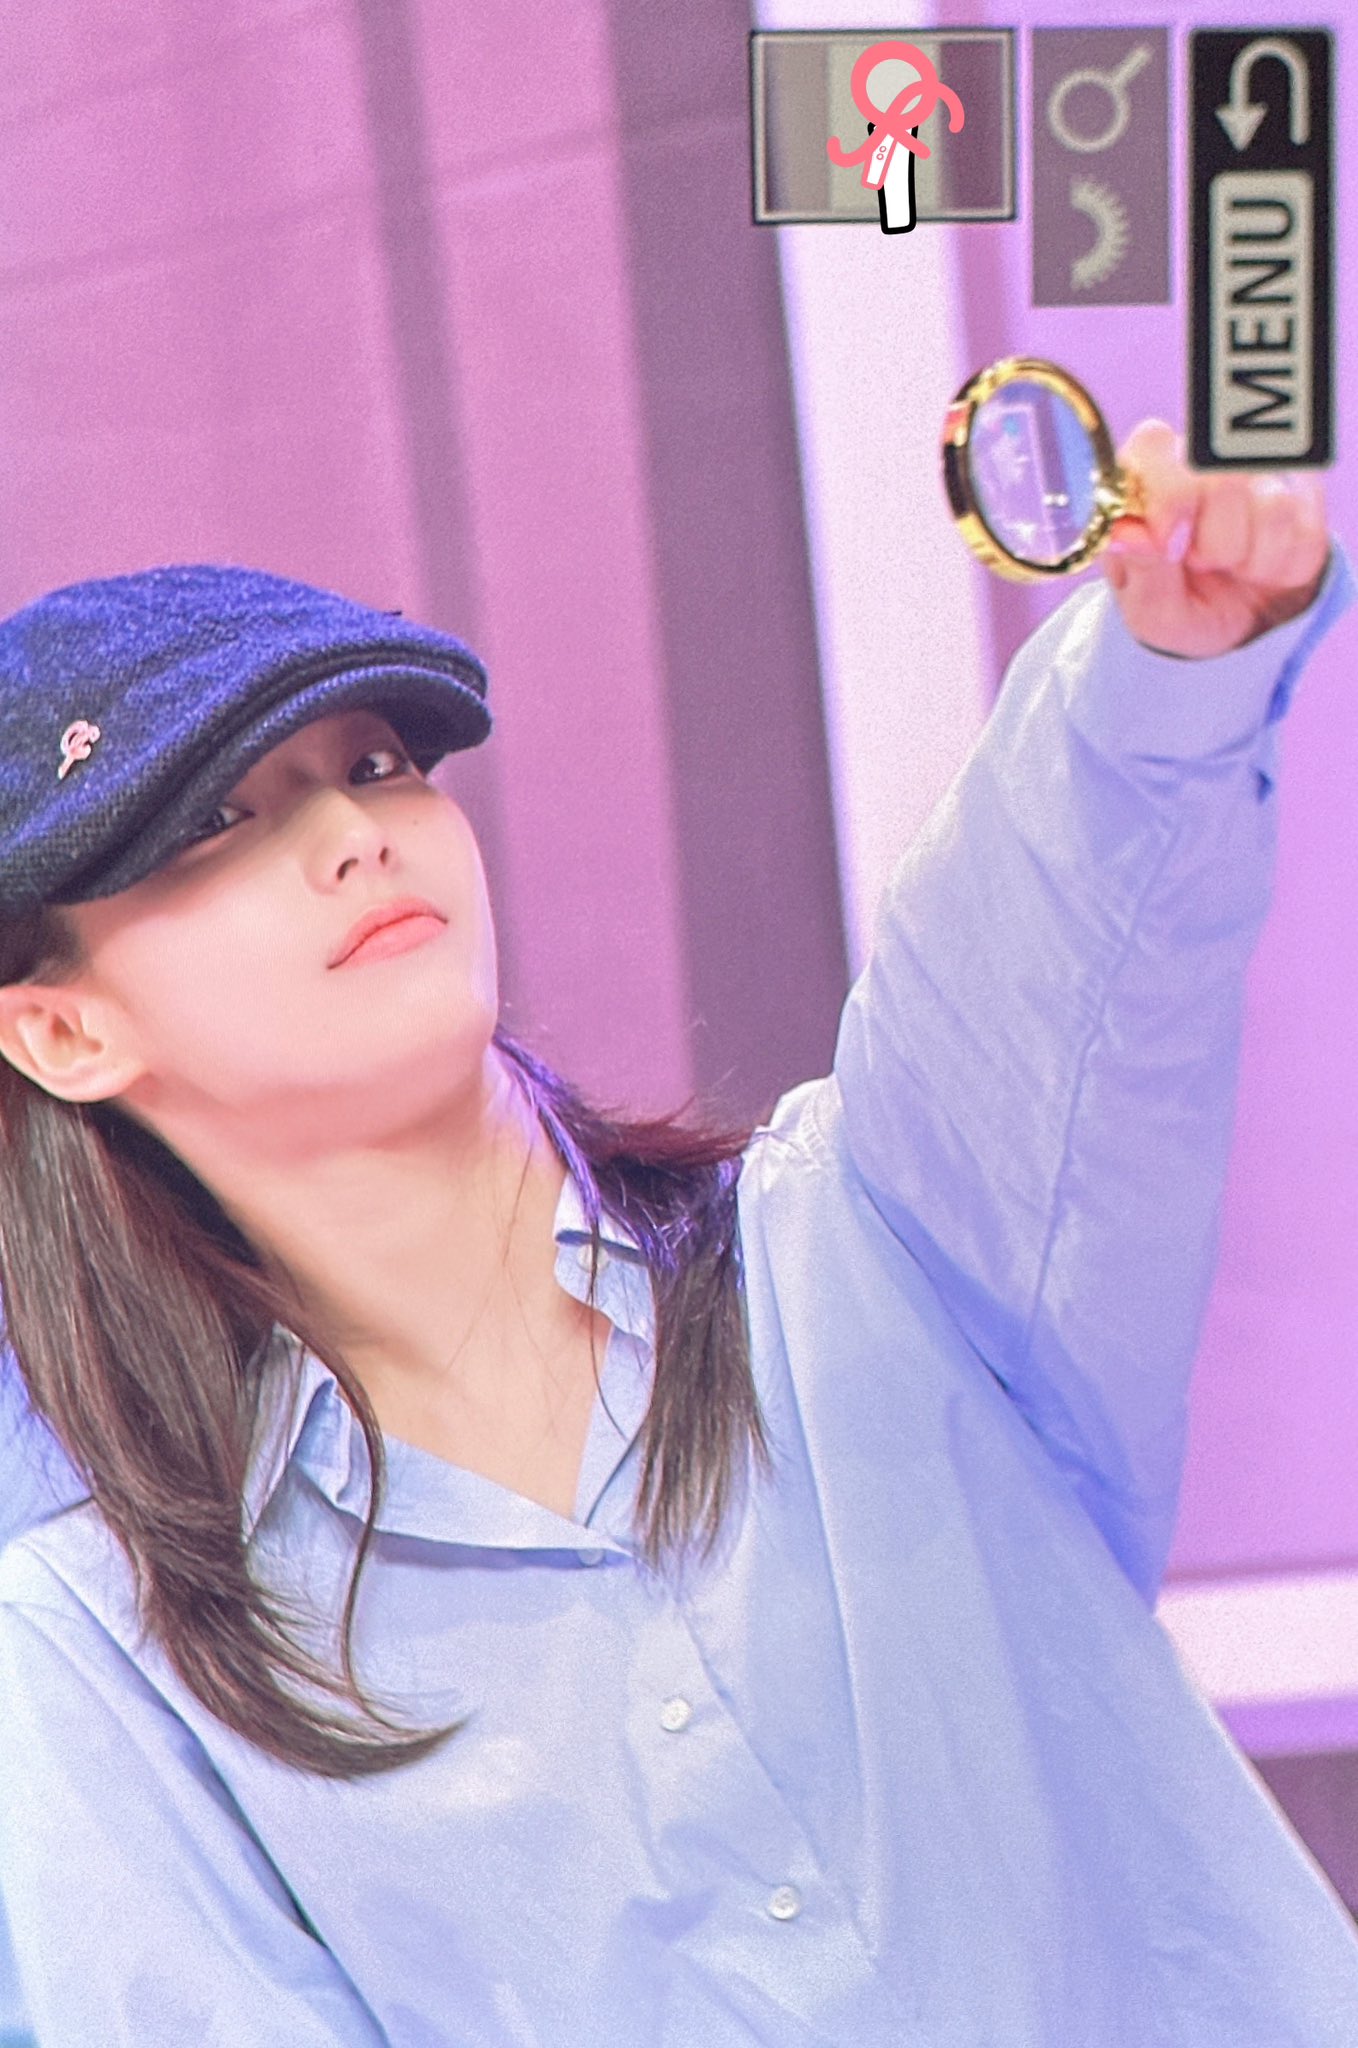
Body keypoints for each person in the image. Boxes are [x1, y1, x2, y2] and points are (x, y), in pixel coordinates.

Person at [0, 422, 1354, 2047]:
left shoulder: (861, 1247)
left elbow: (1044, 953)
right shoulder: (97, 1646)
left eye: (374, 766)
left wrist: (1167, 673)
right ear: (62, 1033)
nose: (356, 835)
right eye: (217, 821)